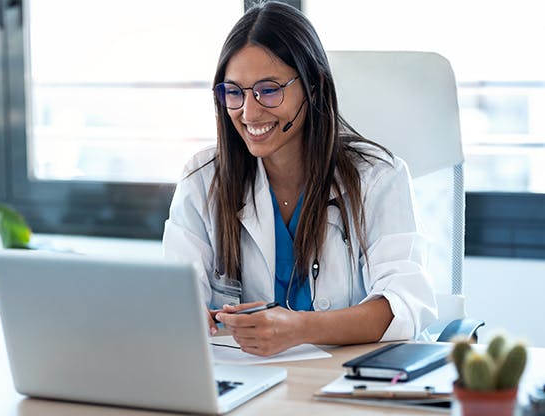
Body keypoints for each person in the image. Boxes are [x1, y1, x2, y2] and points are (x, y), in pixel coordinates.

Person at [162, 1, 437, 357]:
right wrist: (184, 315)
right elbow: (175, 292)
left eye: (269, 89)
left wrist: (298, 328)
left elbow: (404, 304)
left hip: (347, 382)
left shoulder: (377, 178)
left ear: (314, 87)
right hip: (244, 385)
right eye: (234, 92)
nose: (248, 111)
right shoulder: (203, 180)